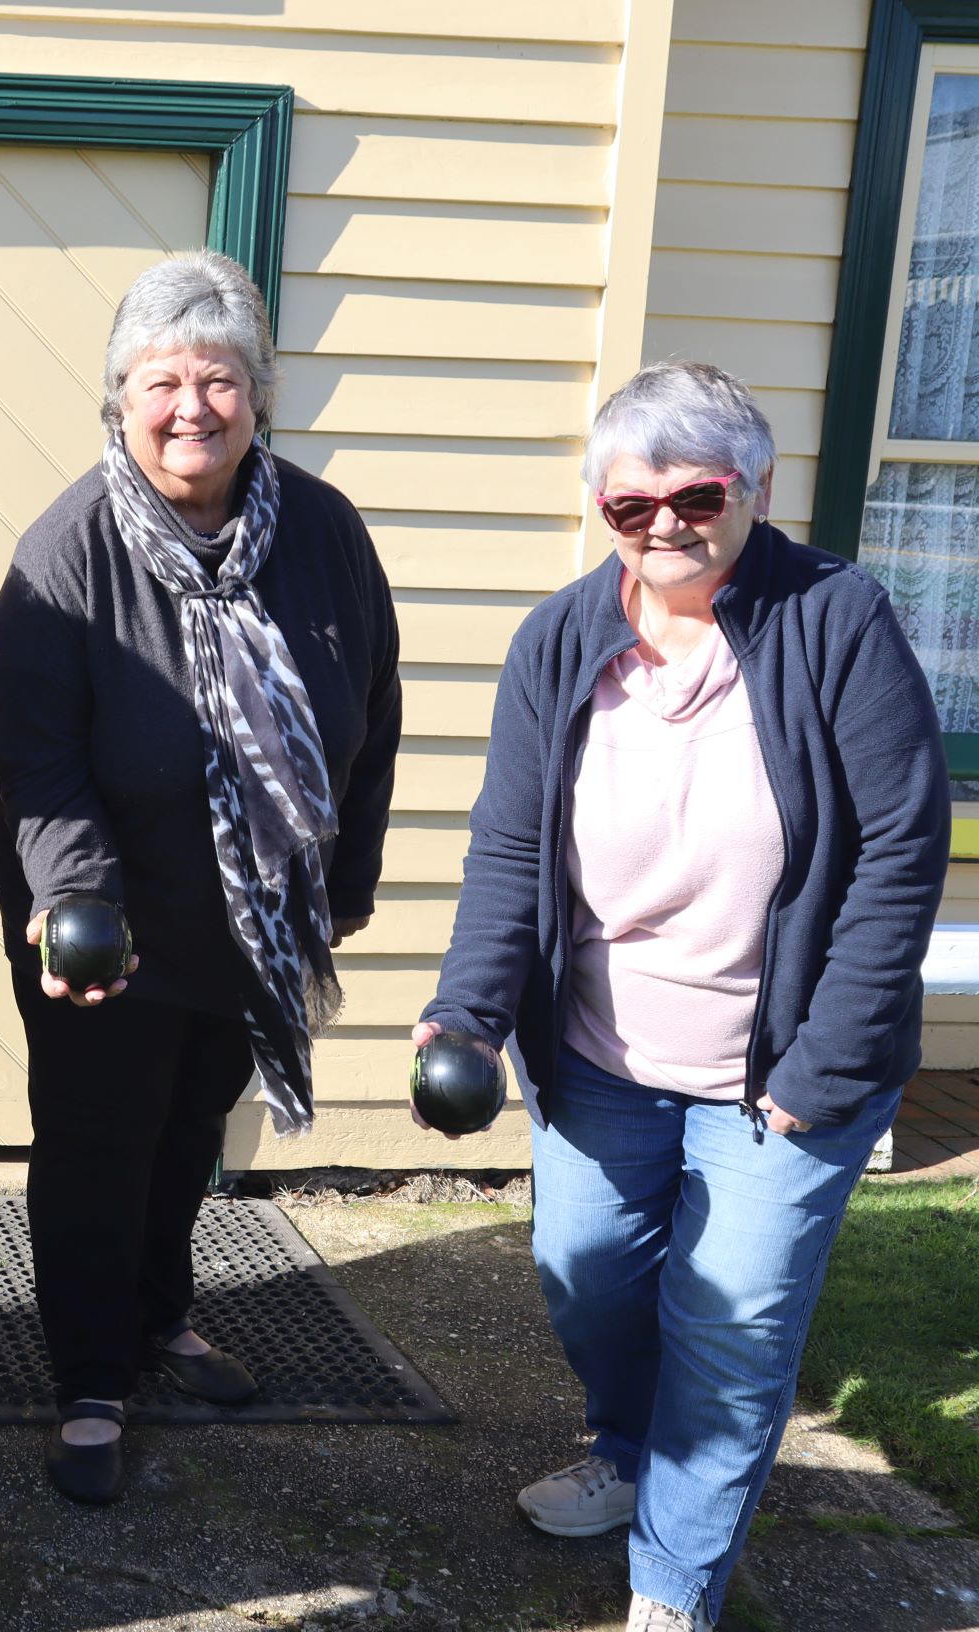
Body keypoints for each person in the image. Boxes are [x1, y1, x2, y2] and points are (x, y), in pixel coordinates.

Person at [417, 361, 948, 1632]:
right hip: (604, 1054)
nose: (665, 524)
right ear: (600, 506)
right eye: (630, 505)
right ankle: (627, 1450)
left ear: (753, 490)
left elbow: (898, 851)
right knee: (585, 1276)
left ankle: (673, 1589)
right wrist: (466, 1011)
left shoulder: (837, 619)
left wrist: (824, 1070)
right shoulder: (557, 642)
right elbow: (508, 848)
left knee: (728, 1333)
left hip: (785, 1071)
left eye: (696, 495)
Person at [0, 249, 402, 1505]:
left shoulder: (320, 530)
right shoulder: (66, 554)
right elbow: (42, 766)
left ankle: (163, 1319)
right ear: (116, 397)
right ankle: (90, 1382)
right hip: (108, 924)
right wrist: (76, 911)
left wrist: (344, 876)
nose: (190, 409)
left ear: (258, 397)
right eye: (160, 380)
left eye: (218, 380)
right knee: (98, 1146)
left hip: (253, 916)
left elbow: (371, 707)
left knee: (185, 1142)